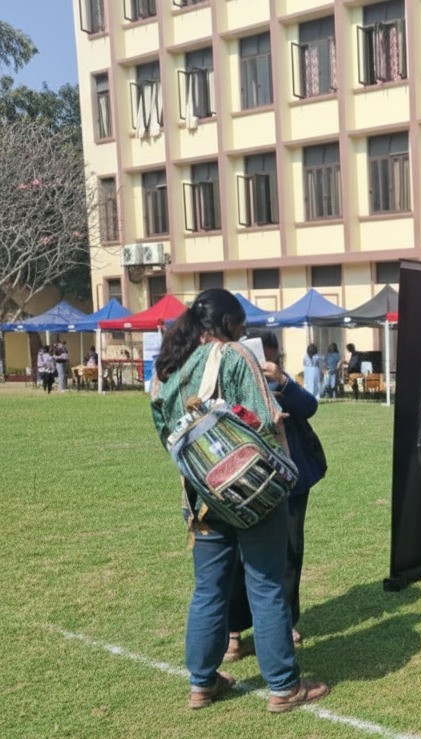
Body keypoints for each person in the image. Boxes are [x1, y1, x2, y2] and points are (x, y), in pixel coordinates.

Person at [149, 288, 328, 713]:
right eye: (240, 325)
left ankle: (202, 683)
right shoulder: (234, 356)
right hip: (250, 492)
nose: (242, 332)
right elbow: (265, 418)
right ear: (228, 324)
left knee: (208, 591)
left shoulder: (169, 369)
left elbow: (165, 433)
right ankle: (283, 687)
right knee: (265, 585)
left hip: (201, 496)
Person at [225, 330, 327, 662]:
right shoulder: (233, 379)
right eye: (261, 357)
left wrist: (281, 381)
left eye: (273, 357)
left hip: (290, 478)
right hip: (246, 477)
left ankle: (284, 622)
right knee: (240, 556)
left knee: (290, 551)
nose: (267, 363)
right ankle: (234, 632)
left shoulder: (283, 383)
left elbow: (310, 407)